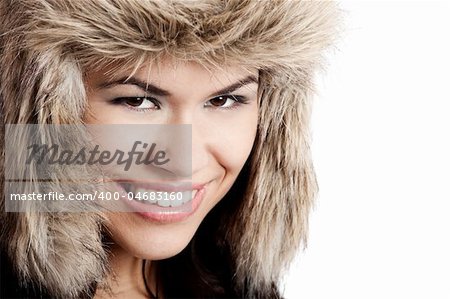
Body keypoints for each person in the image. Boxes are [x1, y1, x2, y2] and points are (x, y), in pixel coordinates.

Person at [0, 0, 340, 298]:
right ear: (38, 109)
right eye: (138, 101)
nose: (182, 162)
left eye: (225, 100)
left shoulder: (235, 286)